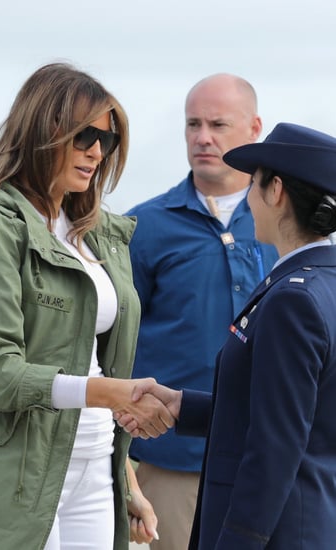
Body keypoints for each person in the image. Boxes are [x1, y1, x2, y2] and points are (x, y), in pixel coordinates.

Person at [0, 62, 173, 550]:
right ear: (44, 131)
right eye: (85, 136)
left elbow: (94, 362)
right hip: (13, 473)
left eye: (109, 139)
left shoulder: (97, 232)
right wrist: (109, 393)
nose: (97, 152)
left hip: (96, 466)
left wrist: (127, 480)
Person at [119, 122, 336, 549]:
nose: (249, 199)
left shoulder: (293, 300)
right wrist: (183, 406)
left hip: (281, 530)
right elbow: (289, 413)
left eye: (253, 184)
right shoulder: (320, 283)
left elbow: (274, 447)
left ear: (275, 191)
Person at [125, 73, 278, 549]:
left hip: (273, 457)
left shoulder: (285, 217)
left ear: (254, 128)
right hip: (172, 461)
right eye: (193, 124)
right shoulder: (142, 226)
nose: (203, 137)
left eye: (217, 124)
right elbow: (113, 342)